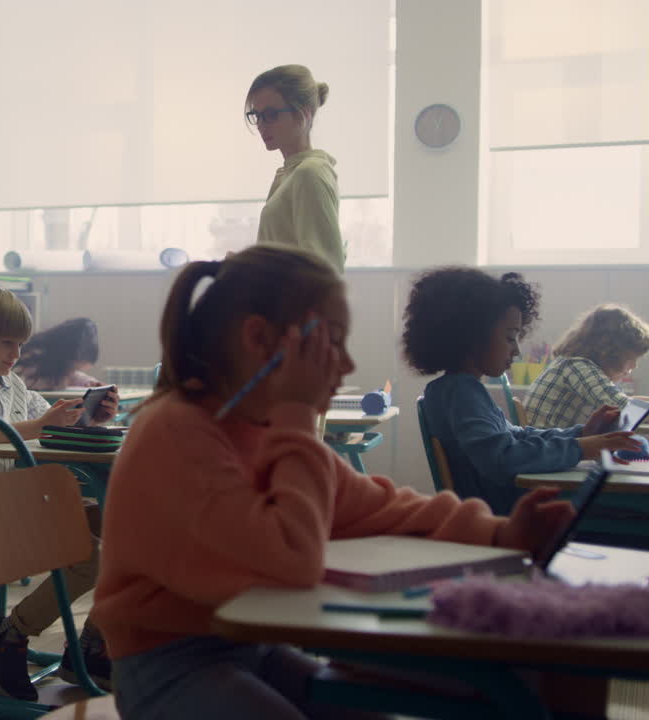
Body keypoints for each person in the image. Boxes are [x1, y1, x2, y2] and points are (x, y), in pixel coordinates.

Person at [92, 246, 587, 719]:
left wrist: (500, 533)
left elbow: (381, 506)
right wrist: (298, 413)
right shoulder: (175, 432)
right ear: (260, 339)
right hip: (166, 667)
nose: (346, 364)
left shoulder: (260, 425)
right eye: (330, 339)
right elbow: (290, 562)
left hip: (251, 649)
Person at [0, 288, 119, 698]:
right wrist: (35, 427)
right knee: (91, 557)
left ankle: (89, 644)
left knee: (130, 536)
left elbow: (50, 419)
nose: (16, 353)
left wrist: (89, 416)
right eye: (7, 343)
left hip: (21, 501)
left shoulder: (12, 385)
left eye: (21, 344)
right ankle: (8, 635)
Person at [403, 268, 639, 514]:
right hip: (512, 515)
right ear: (472, 336)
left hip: (511, 508)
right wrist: (583, 448)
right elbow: (503, 458)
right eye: (509, 338)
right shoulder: (462, 394)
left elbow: (516, 436)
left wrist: (581, 434)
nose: (516, 350)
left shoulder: (457, 389)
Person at [247, 64, 345, 272]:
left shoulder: (310, 173)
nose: (261, 125)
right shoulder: (289, 174)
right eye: (257, 115)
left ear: (303, 114)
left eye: (271, 114)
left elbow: (326, 270)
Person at [524, 304, 649, 428]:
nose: (634, 365)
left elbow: (621, 399)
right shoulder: (578, 366)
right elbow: (623, 407)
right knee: (639, 445)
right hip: (554, 445)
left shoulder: (571, 363)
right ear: (611, 352)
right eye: (630, 358)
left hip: (553, 441)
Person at [13, 317, 102, 391]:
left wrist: (88, 382)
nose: (72, 372)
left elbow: (74, 375)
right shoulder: (32, 359)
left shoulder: (61, 364)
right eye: (73, 368)